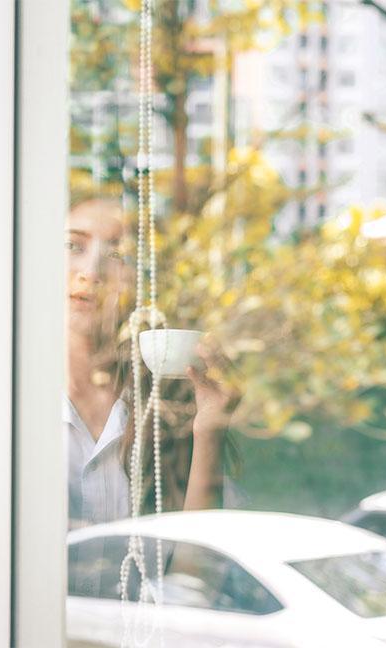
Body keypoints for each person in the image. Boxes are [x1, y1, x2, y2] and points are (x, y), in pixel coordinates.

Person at [64, 197, 241, 532]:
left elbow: (194, 570)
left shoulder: (169, 410)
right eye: (73, 245)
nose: (91, 272)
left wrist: (209, 433)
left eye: (119, 254)